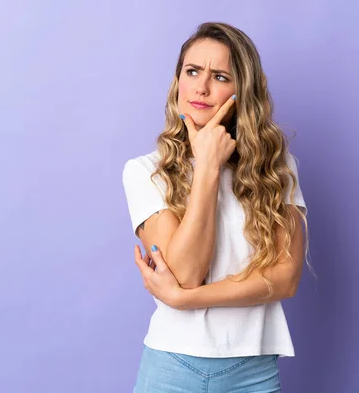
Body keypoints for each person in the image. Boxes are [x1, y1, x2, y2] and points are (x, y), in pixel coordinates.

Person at [122, 22, 309, 393]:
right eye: (192, 71)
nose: (202, 87)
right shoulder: (145, 171)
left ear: (242, 90)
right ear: (178, 81)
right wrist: (206, 166)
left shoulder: (276, 168)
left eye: (220, 76)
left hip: (253, 370)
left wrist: (184, 299)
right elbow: (187, 271)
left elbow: (285, 279)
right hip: (172, 366)